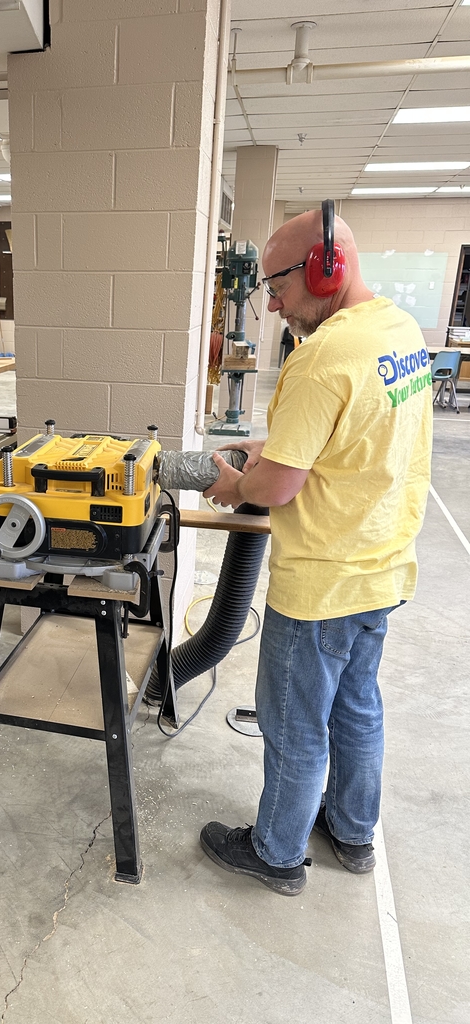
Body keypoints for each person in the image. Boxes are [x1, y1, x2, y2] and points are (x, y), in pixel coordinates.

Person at [198, 207, 432, 895]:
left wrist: (232, 480)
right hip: (382, 568)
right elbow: (355, 436)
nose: (269, 303)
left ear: (326, 267)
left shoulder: (321, 358)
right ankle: (353, 834)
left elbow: (273, 489)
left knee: (294, 724)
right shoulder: (397, 332)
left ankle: (276, 853)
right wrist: (277, 447)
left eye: (276, 284)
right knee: (357, 709)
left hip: (321, 583)